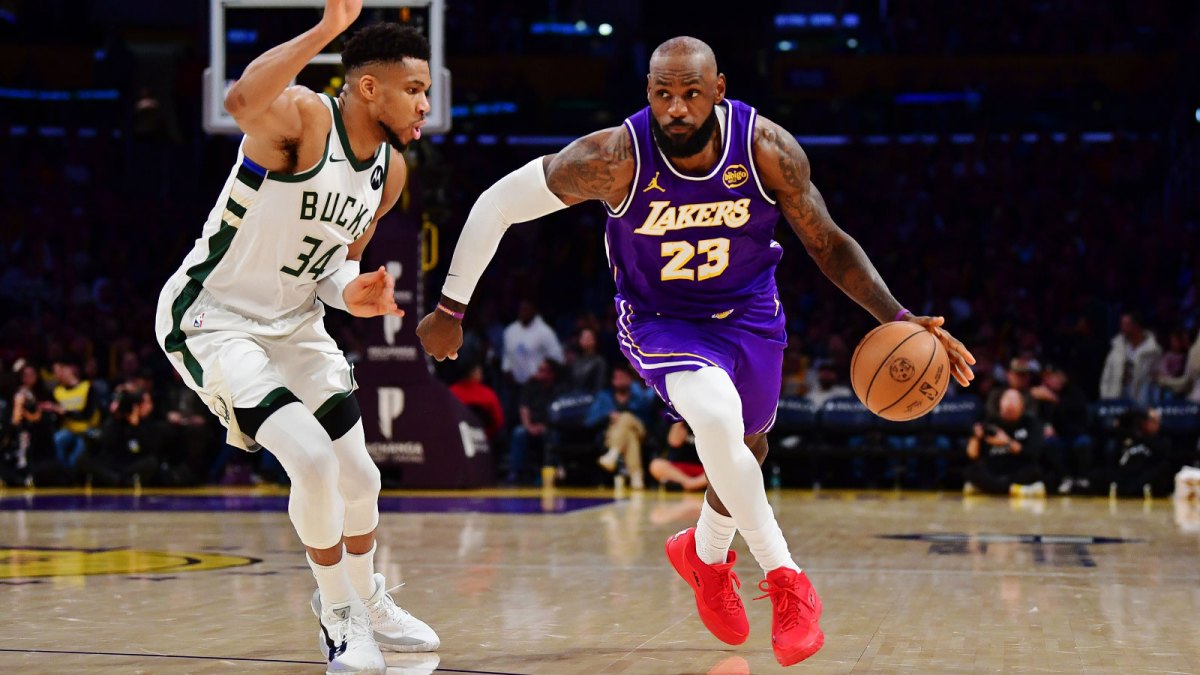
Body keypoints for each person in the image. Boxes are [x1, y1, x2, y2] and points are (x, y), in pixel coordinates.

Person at [416, 36, 976, 666]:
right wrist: (450, 307)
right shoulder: (613, 158)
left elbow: (828, 243)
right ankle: (788, 581)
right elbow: (497, 204)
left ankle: (704, 555)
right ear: (648, 94)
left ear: (719, 90)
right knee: (714, 421)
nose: (676, 108)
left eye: (689, 93)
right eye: (662, 94)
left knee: (747, 446)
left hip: (750, 315)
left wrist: (900, 317)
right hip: (663, 321)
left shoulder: (768, 151)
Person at [152, 3, 438, 672]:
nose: (426, 101)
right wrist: (326, 33)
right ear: (369, 86)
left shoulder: (390, 173)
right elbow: (241, 98)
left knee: (360, 476)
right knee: (310, 460)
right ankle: (338, 616)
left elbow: (336, 266)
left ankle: (366, 598)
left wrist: (352, 293)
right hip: (214, 316)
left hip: (294, 322)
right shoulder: (307, 118)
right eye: (415, 88)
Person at [963, 388, 1045, 497]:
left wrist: (1007, 442)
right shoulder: (988, 423)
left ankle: (989, 488)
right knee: (971, 472)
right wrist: (976, 438)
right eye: (1007, 399)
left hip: (1017, 470)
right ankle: (1013, 489)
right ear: (1000, 403)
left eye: (1015, 400)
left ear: (1022, 406)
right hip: (994, 470)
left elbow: (1033, 453)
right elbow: (973, 455)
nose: (1010, 404)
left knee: (1035, 472)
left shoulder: (1031, 423)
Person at [588, 365, 657, 488]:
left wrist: (625, 417)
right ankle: (636, 477)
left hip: (640, 430)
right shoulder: (604, 397)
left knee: (625, 417)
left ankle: (613, 454)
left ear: (630, 379)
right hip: (611, 436)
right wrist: (607, 417)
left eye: (623, 377)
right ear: (612, 380)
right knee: (629, 436)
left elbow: (649, 417)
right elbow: (589, 421)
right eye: (616, 378)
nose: (619, 381)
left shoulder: (639, 397)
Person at [1032, 364, 1093, 494]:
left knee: (1083, 442)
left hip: (1075, 434)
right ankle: (1066, 477)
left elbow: (1079, 418)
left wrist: (1055, 400)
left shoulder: (1075, 393)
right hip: (1057, 437)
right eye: (1050, 377)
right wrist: (1045, 426)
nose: (1056, 380)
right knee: (1048, 443)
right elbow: (1039, 418)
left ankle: (1083, 478)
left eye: (1058, 376)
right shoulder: (1041, 397)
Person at [1099, 311, 1162, 405]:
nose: (1122, 328)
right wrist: (1104, 396)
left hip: (1140, 402)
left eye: (1125, 324)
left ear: (1136, 326)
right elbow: (1107, 374)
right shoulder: (1117, 347)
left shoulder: (1153, 351)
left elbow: (1156, 380)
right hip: (1116, 399)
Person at [649, 420, 709, 492]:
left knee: (719, 470)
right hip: (682, 469)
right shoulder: (682, 422)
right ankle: (689, 484)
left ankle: (690, 485)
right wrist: (679, 419)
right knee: (656, 465)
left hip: (705, 470)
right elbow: (674, 442)